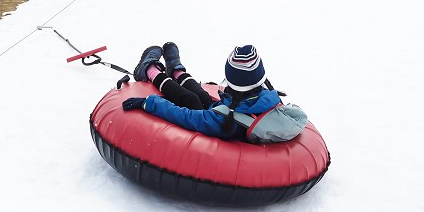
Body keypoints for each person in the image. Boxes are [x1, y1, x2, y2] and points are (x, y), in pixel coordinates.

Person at [122, 43, 304, 141]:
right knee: (200, 95)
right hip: (240, 114)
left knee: (190, 99)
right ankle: (177, 71)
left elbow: (184, 116)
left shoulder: (222, 120)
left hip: (229, 122)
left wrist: (149, 102)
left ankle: (149, 71)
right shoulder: (270, 97)